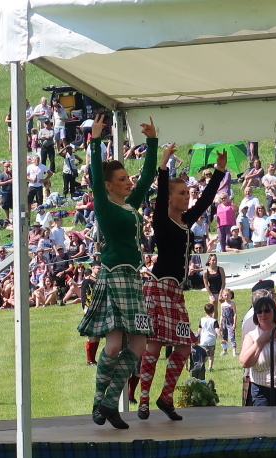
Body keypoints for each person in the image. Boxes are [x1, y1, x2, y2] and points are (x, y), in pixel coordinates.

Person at [77, 115, 158, 430]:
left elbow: (149, 173)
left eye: (128, 178)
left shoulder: (132, 206)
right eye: (122, 179)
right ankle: (100, 402)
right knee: (112, 346)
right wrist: (94, 141)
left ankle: (109, 402)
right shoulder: (105, 205)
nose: (129, 182)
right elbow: (96, 178)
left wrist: (151, 141)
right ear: (110, 185)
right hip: (113, 277)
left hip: (133, 281)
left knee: (137, 346)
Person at [138, 142, 226, 422]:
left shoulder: (187, 221)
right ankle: (142, 401)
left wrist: (219, 172)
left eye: (187, 192)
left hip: (175, 291)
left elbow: (206, 200)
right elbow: (161, 191)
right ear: (169, 198)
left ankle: (165, 397)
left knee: (185, 347)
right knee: (153, 345)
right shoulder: (163, 220)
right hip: (158, 286)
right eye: (181, 193)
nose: (187, 197)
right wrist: (163, 165)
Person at [198, 303, 220, 372]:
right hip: (211, 340)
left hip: (203, 340)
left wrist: (198, 337)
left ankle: (201, 365)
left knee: (203, 355)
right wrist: (221, 337)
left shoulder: (202, 320)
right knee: (211, 355)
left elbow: (199, 330)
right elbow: (217, 330)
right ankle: (210, 367)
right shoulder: (214, 321)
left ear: (204, 312)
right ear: (213, 311)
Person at [219, 288, 237, 356]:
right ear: (223, 296)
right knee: (224, 337)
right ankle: (224, 350)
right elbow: (221, 315)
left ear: (231, 295)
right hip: (224, 323)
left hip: (230, 322)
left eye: (228, 295)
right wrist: (220, 324)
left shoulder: (232, 304)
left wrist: (234, 323)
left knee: (231, 337)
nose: (226, 297)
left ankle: (234, 350)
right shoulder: (222, 305)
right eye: (225, 295)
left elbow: (235, 314)